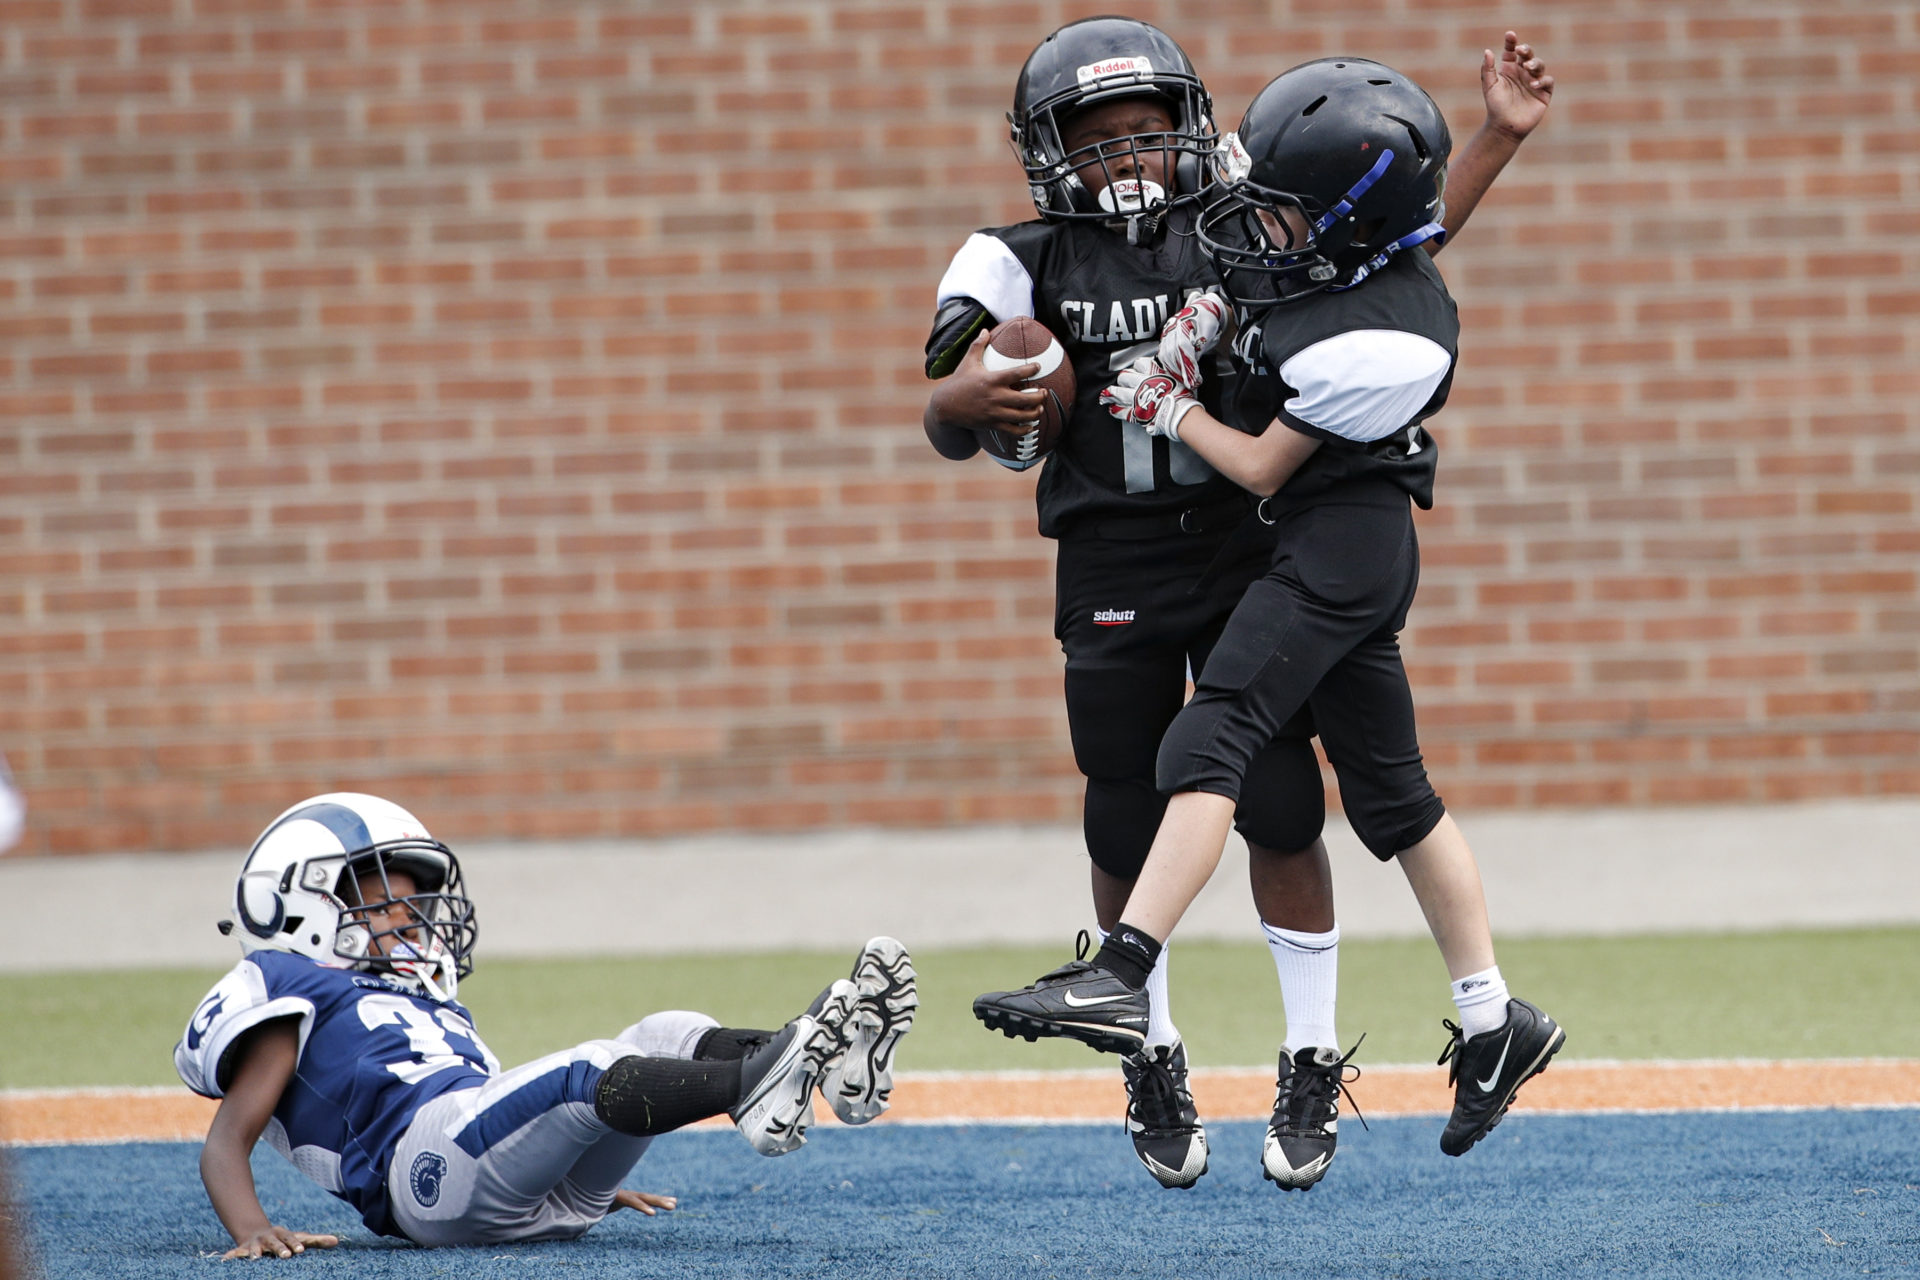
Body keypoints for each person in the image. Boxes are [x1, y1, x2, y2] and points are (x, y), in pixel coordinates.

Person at [925, 19, 1553, 1189]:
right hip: (1109, 561)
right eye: (1094, 138)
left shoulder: (1238, 222)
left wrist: (1489, 144)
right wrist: (977, 393)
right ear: (1045, 148)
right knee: (1123, 804)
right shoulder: (1020, 258)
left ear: (1188, 129)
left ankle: (1307, 1050)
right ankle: (1150, 1047)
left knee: (1276, 802)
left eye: (1146, 132)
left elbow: (1396, 238)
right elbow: (950, 400)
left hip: (1243, 547)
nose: (1122, 158)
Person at [174, 792, 917, 1257]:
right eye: (381, 905)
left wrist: (573, 1153)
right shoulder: (287, 984)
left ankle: (813, 1059)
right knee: (586, 1071)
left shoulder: (420, 998)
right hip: (423, 1180)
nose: (408, 919)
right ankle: (754, 1084)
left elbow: (497, 1109)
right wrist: (250, 1226)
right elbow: (227, 1136)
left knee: (662, 1032)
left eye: (412, 905)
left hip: (511, 1186)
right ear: (295, 906)